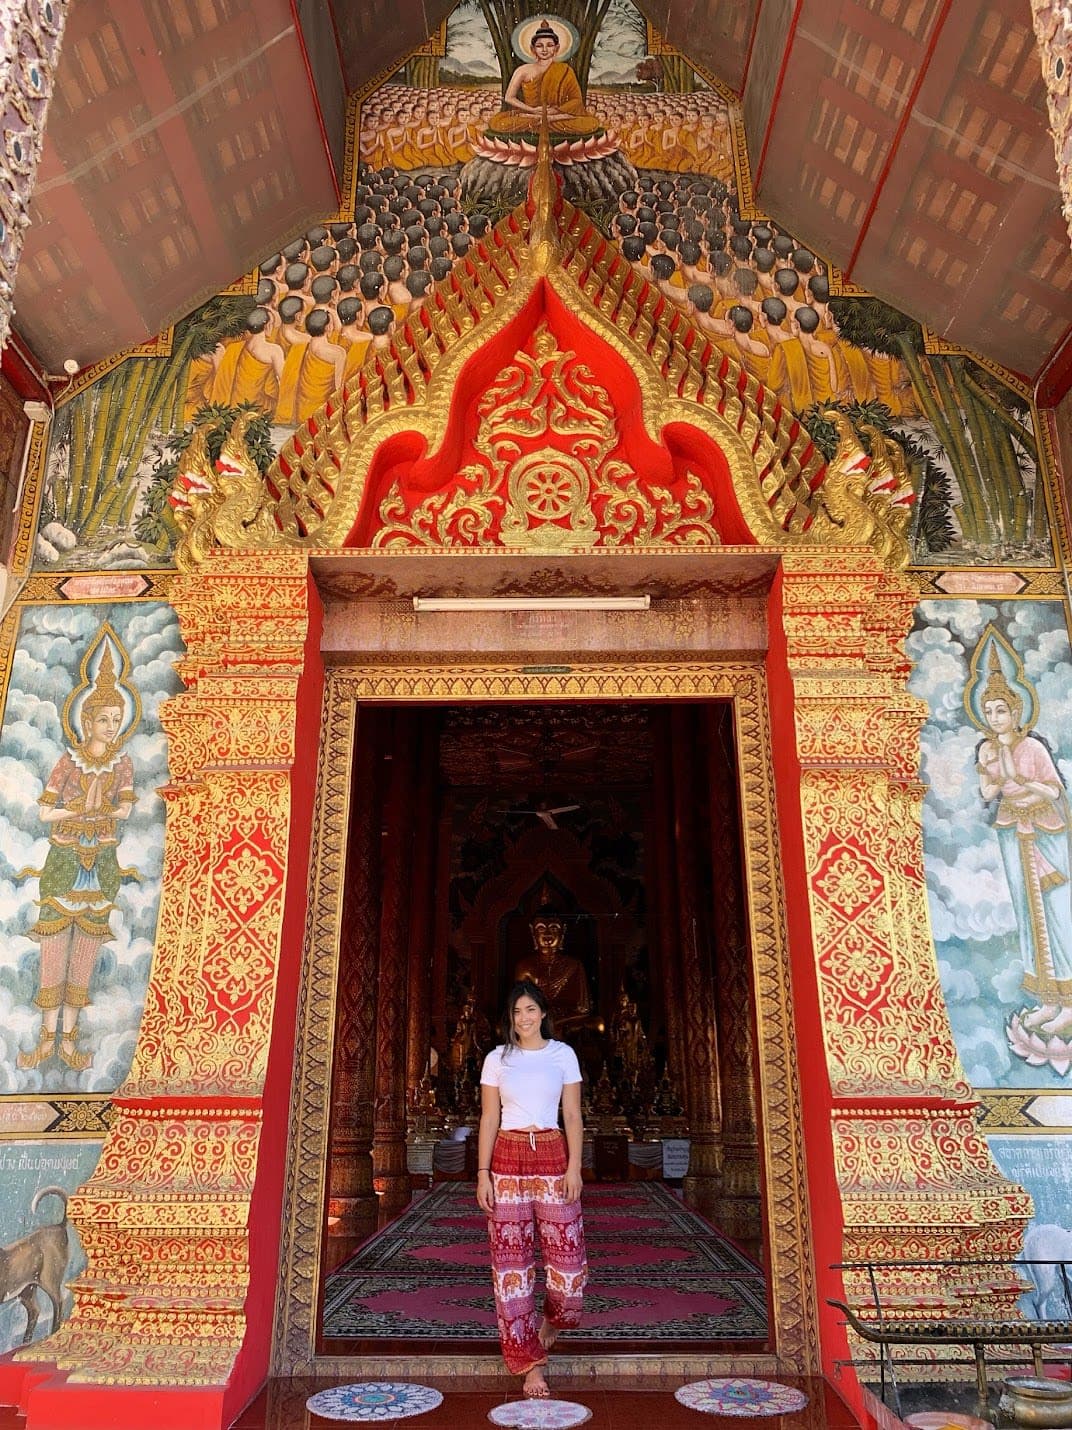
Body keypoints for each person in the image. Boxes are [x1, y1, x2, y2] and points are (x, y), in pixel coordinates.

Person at [17, 638, 138, 1073]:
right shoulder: (68, 763)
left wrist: (103, 809)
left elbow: (125, 806)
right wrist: (78, 809)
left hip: (101, 861)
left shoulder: (122, 765)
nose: (111, 725)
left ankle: (69, 1039)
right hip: (65, 859)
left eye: (117, 718)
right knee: (54, 948)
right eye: (104, 718)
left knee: (85, 950)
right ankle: (45, 1037)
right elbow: (45, 811)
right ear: (86, 720)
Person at [477, 981, 587, 1399]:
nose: (523, 1018)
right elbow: (489, 1118)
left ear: (542, 1013)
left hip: (554, 1153)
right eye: (516, 1012)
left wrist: (574, 1167)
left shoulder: (563, 1055)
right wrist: (483, 1172)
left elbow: (573, 1114)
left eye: (530, 1010)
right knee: (512, 1267)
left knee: (569, 1265)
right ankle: (531, 1365)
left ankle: (552, 1321)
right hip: (507, 1155)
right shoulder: (496, 1060)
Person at [975, 650, 1072, 1038]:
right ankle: (1048, 1000)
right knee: (1028, 915)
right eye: (990, 711)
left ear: (1016, 712)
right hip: (1013, 832)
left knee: (1057, 913)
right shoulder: (986, 749)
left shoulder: (1032, 748)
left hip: (1045, 835)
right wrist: (998, 775)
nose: (996, 718)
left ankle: (1069, 1002)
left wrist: (1018, 776)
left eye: (1002, 710)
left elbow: (1053, 791)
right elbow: (986, 794)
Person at [487, 18, 601, 138]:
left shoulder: (565, 70)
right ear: (533, 49)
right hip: (530, 113)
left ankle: (545, 120)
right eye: (540, 46)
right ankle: (543, 119)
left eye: (550, 45)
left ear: (556, 48)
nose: (545, 49)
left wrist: (556, 112)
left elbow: (576, 100)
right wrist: (532, 111)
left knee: (591, 123)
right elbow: (509, 97)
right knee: (498, 123)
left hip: (555, 114)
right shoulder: (523, 70)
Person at [513, 905, 591, 1030]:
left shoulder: (574, 965)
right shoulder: (524, 966)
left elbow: (583, 1008)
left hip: (566, 1019)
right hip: (535, 1018)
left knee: (598, 1025)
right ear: (533, 932)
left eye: (554, 928)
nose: (547, 934)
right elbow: (519, 1005)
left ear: (563, 931)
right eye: (541, 929)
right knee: (503, 1027)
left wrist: (557, 1016)